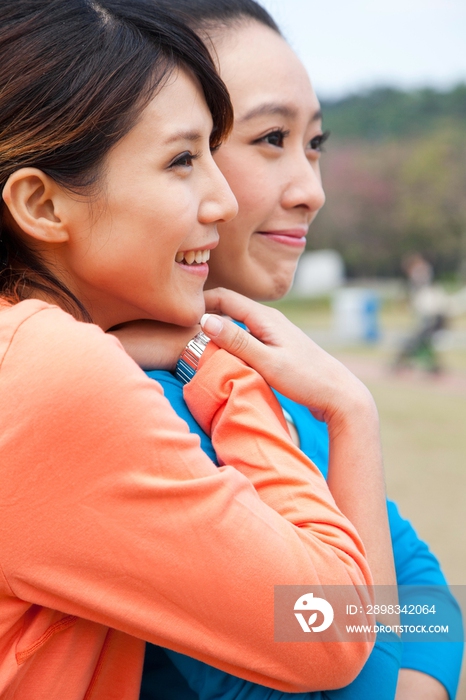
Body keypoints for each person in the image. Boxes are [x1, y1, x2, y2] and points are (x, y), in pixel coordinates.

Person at [0, 1, 398, 698]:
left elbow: (428, 599)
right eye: (184, 159)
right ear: (41, 204)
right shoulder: (61, 378)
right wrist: (219, 366)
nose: (221, 201)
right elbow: (338, 638)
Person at [113, 2, 463, 699]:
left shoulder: (253, 379)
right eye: (271, 138)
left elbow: (432, 605)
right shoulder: (132, 402)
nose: (313, 191)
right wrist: (351, 415)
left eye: (314, 144)